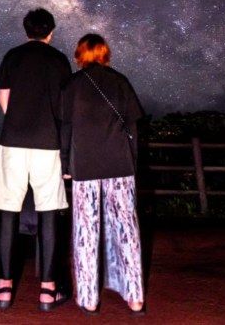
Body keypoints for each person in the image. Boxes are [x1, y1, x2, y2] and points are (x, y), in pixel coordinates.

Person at [0, 8, 72, 311]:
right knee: (49, 211)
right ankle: (48, 291)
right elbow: (65, 106)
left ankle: (5, 288)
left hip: (13, 141)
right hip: (48, 144)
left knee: (8, 210)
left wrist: (18, 123)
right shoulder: (60, 60)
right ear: (51, 31)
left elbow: (3, 98)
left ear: (26, 30)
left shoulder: (13, 55)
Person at [60, 33, 146, 315]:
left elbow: (66, 130)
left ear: (80, 54)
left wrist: (65, 165)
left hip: (85, 166)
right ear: (104, 53)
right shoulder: (121, 81)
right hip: (120, 165)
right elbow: (132, 129)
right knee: (127, 230)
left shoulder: (72, 85)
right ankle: (135, 297)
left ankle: (88, 297)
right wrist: (132, 163)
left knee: (86, 231)